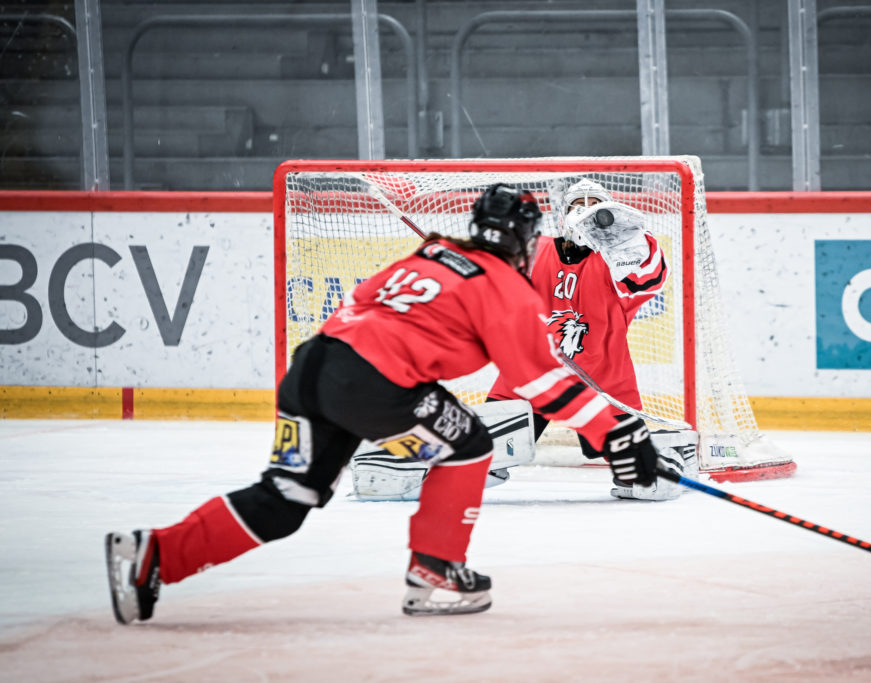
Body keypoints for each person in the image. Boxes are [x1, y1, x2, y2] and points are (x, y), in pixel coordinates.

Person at [104, 184, 661, 624]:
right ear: (525, 236)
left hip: (311, 369)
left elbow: (359, 303)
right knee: (470, 445)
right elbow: (541, 381)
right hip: (373, 381)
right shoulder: (506, 287)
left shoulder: (431, 254)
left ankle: (153, 555)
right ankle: (436, 572)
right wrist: (619, 430)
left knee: (286, 498)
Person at [349, 178, 698, 503]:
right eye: (578, 206)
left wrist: (624, 241)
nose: (586, 212)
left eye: (596, 206)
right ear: (562, 216)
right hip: (530, 376)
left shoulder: (615, 264)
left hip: (603, 380)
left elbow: (648, 277)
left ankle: (668, 458)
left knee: (641, 477)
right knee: (482, 455)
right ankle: (417, 471)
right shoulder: (535, 249)